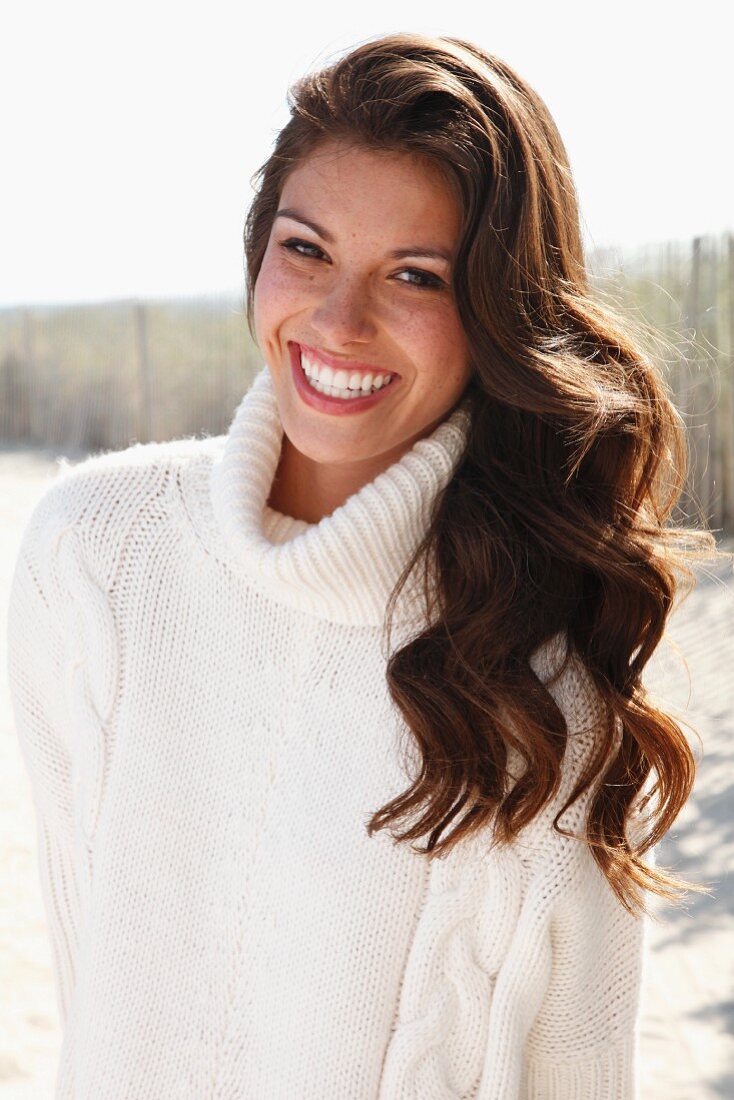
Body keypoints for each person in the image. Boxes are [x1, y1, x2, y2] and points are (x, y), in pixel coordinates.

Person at [6, 31, 724, 1100]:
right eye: (306, 248)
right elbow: (95, 993)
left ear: (494, 317)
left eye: (415, 274)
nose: (339, 320)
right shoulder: (95, 556)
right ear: (256, 256)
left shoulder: (539, 692)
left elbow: (577, 1072)